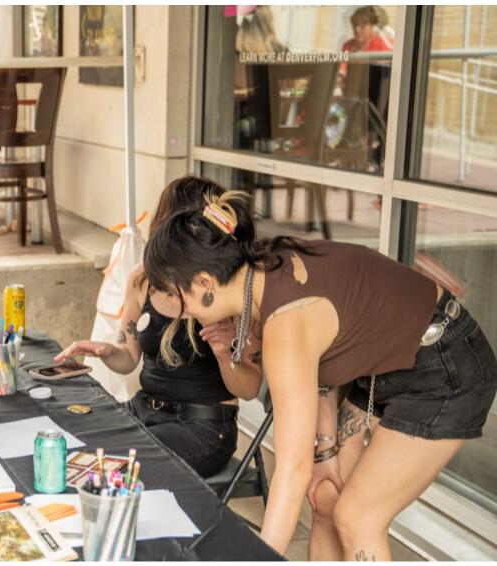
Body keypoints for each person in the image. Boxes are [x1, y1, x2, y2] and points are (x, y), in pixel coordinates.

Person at [144, 189, 497, 560]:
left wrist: (262, 556)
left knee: (358, 517)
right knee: (326, 498)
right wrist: (326, 448)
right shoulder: (260, 278)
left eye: (174, 295)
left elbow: (292, 466)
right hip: (387, 366)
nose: (176, 311)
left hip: (445, 365)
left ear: (203, 284)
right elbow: (322, 369)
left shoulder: (284, 321)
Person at [54, 176, 262, 478]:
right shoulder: (142, 280)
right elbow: (128, 358)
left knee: (119, 462)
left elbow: (250, 387)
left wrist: (223, 353)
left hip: (203, 427)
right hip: (144, 411)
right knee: (75, 434)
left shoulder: (231, 291)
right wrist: (105, 349)